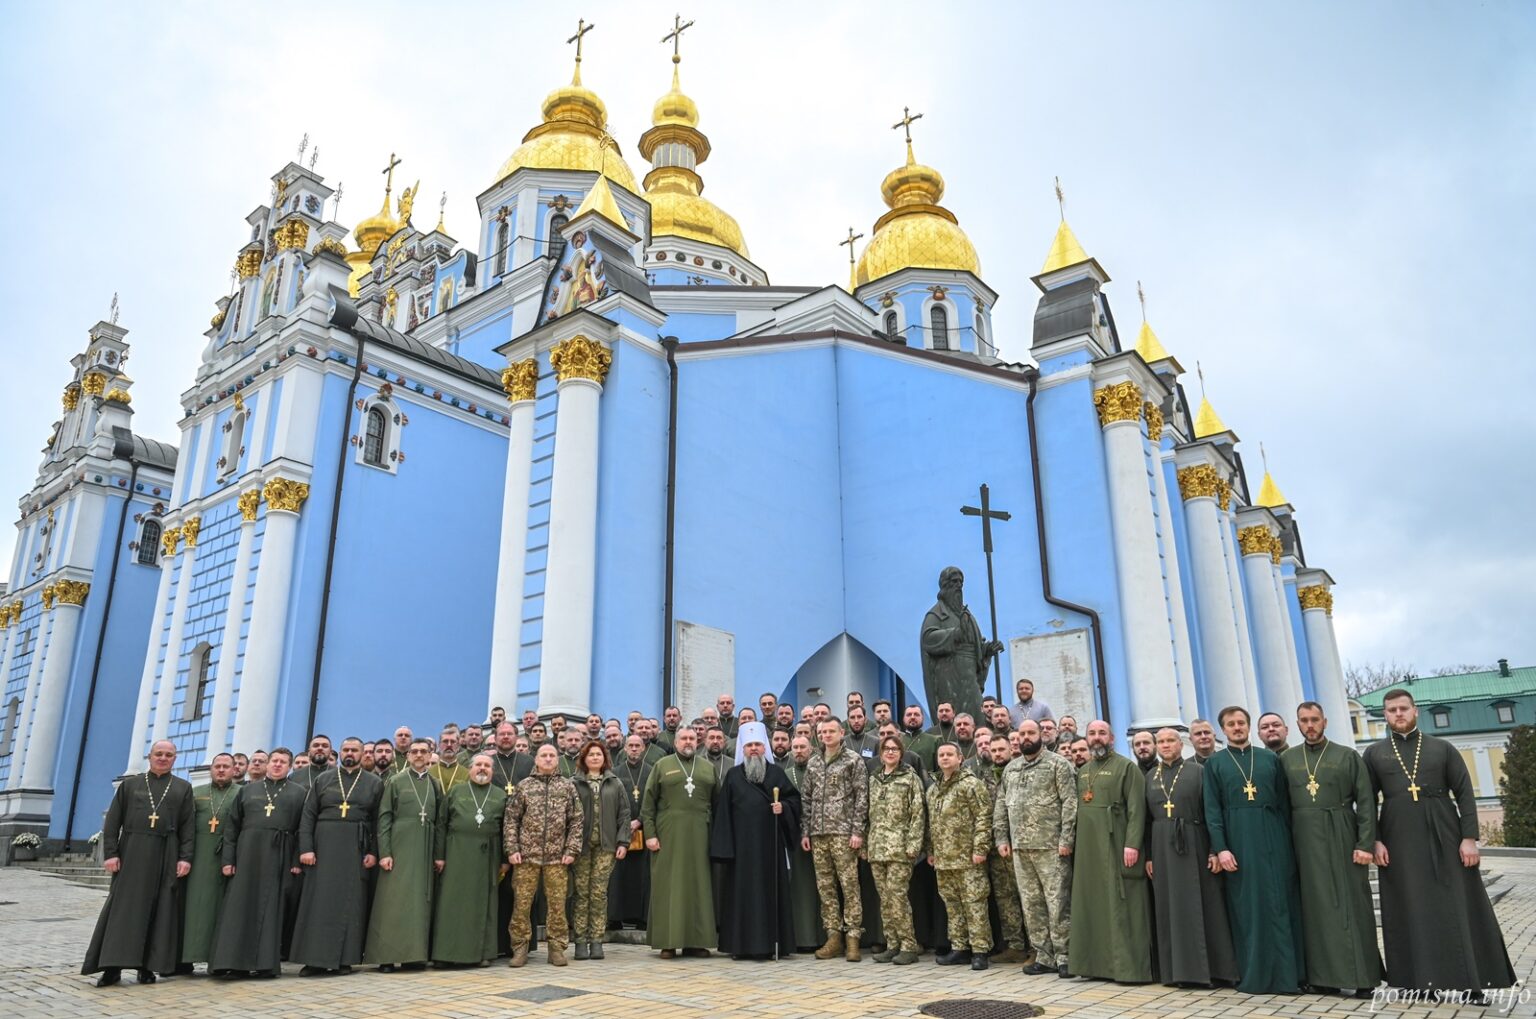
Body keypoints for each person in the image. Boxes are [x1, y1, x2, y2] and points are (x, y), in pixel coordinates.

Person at [1364, 689, 1514, 995]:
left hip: (1445, 833)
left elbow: (1464, 792)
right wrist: (1375, 841)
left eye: (1403, 708)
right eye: (1391, 710)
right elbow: (1367, 802)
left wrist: (1469, 838)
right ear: (1386, 715)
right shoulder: (1375, 753)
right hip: (1398, 838)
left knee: (1458, 905)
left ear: (1415, 711)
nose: (1398, 714)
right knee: (1411, 907)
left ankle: (1473, 982)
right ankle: (1421, 983)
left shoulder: (1441, 748)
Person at [1280, 701, 1381, 995]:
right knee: (1314, 910)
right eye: (1303, 720)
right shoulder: (1288, 759)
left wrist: (1365, 844)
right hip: (1304, 840)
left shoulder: (1347, 756)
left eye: (1314, 720)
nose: (1309, 725)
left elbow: (1365, 802)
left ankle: (1363, 978)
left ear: (1325, 721)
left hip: (1342, 835)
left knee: (1351, 906)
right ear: (1297, 724)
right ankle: (1324, 979)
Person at [1202, 706, 1304, 994]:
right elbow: (1212, 811)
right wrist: (1221, 849)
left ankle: (1289, 976)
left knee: (1279, 904)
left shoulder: (1270, 759)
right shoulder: (1215, 764)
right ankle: (1254, 975)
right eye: (1231, 724)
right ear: (1223, 730)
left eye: (1241, 723)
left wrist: (1289, 844)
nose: (1237, 728)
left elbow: (1285, 805)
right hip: (1238, 842)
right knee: (1248, 909)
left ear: (1248, 726)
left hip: (1274, 839)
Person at [82, 739, 195, 987]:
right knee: (122, 912)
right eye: (159, 754)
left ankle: (146, 967)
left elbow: (188, 827)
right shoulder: (130, 785)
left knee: (159, 910)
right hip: (131, 852)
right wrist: (111, 853)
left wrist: (185, 858)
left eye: (168, 755)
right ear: (150, 756)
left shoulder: (182, 788)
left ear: (175, 759)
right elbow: (113, 822)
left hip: (166, 853)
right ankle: (112, 967)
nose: (163, 758)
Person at [1144, 728, 1237, 987]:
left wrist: (1214, 850)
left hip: (1195, 844)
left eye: (1170, 740)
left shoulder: (1198, 772)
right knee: (1170, 908)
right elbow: (1147, 821)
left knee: (1204, 905)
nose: (1165, 745)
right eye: (1160, 742)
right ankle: (1177, 972)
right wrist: (1149, 856)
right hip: (1162, 848)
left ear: (1181, 743)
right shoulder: (1151, 776)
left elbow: (1211, 812)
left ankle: (1213, 971)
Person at [290, 737, 384, 976]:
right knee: (318, 903)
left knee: (350, 904)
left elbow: (377, 821)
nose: (349, 753)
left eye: (354, 750)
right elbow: (308, 816)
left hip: (355, 848)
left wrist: (373, 851)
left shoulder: (374, 782)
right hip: (323, 847)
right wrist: (306, 848)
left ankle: (345, 960)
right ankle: (313, 959)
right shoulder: (324, 779)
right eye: (345, 750)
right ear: (339, 753)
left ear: (363, 754)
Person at [208, 747, 305, 977]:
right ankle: (233, 962)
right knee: (239, 907)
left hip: (279, 854)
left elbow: (303, 828)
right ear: (267, 763)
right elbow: (232, 827)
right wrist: (228, 859)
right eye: (274, 761)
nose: (278, 765)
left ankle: (265, 965)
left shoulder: (299, 793)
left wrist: (295, 859)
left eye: (283, 762)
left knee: (270, 909)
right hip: (247, 854)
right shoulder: (248, 791)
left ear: (290, 767)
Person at [1068, 720, 1151, 983]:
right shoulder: (1083, 771)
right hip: (1089, 848)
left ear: (1111, 738)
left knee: (1121, 903)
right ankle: (1094, 965)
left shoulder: (1126, 767)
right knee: (1092, 902)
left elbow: (1137, 810)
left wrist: (1132, 844)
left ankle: (1127, 968)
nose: (1096, 738)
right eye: (1092, 733)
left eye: (1101, 733)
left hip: (1117, 843)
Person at [711, 722, 802, 960]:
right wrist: (725, 849)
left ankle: (775, 943)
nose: (754, 749)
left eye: (758, 745)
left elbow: (795, 802)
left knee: (770, 893)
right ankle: (741, 946)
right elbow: (723, 816)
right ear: (743, 748)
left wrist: (784, 807)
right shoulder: (732, 776)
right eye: (750, 745)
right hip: (741, 851)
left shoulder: (776, 774)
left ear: (765, 748)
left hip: (769, 848)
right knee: (741, 896)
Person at [996, 718, 1076, 978]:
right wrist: (1002, 838)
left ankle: (1065, 956)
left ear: (1042, 734)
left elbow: (1070, 804)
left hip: (1051, 847)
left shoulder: (1058, 764)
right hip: (1021, 849)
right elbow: (1001, 805)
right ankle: (1044, 955)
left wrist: (1066, 840)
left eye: (1031, 732)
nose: (1026, 737)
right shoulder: (1011, 769)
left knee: (1058, 903)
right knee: (1031, 904)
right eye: (1022, 733)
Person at [642, 726, 718, 959]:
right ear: (675, 743)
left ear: (698, 742)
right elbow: (648, 804)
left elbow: (718, 805)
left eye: (692, 739)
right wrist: (650, 834)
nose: (688, 742)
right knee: (669, 886)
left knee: (699, 886)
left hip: (701, 835)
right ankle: (668, 942)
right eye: (683, 738)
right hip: (668, 835)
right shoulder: (662, 766)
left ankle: (697, 942)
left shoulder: (708, 768)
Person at [366, 738, 441, 971]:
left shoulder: (435, 784)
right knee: (392, 901)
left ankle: (413, 956)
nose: (419, 755)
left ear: (430, 756)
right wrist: (385, 852)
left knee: (419, 902)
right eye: (414, 751)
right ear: (407, 756)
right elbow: (385, 817)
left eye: (423, 752)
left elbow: (440, 822)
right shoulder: (396, 781)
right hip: (399, 846)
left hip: (424, 847)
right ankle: (386, 956)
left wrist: (438, 855)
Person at [505, 743, 582, 967]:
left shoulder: (567, 787)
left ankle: (557, 948)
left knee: (558, 905)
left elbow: (576, 821)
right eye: (543, 755)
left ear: (557, 760)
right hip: (526, 856)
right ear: (536, 760)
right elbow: (512, 819)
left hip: (557, 857)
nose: (548, 759)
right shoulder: (524, 786)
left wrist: (571, 849)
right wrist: (512, 848)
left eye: (552, 755)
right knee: (522, 903)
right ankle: (520, 948)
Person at [430, 753, 508, 967]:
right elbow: (442, 824)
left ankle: (481, 953)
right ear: (470, 769)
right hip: (456, 853)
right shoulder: (456, 791)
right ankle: (446, 954)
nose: (482, 769)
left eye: (487, 766)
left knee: (483, 904)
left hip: (487, 855)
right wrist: (439, 855)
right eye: (478, 765)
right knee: (452, 903)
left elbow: (506, 831)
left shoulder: (500, 796)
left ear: (492, 771)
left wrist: (504, 859)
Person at [802, 718, 869, 962]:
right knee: (826, 886)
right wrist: (805, 831)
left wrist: (857, 831)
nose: (826, 735)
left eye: (831, 731)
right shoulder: (814, 762)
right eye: (822, 732)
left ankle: (853, 937)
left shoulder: (853, 760)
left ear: (842, 732)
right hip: (819, 834)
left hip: (843, 832)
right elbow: (807, 799)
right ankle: (833, 937)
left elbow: (862, 797)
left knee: (849, 885)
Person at [926, 742, 993, 970]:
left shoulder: (971, 784)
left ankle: (980, 950)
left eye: (949, 754)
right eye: (941, 755)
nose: (945, 758)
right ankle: (960, 947)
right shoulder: (934, 788)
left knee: (974, 903)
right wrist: (932, 851)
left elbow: (984, 817)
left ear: (960, 758)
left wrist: (980, 848)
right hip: (944, 859)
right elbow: (931, 824)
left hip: (968, 857)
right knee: (952, 905)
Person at [866, 735, 925, 965]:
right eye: (886, 749)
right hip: (877, 847)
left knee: (898, 896)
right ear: (881, 754)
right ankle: (892, 944)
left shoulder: (910, 779)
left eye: (895, 749)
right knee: (884, 898)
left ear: (901, 753)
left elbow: (918, 814)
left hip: (900, 848)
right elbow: (867, 815)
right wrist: (866, 843)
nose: (890, 752)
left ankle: (909, 945)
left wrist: (913, 845)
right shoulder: (874, 779)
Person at [920, 567, 1003, 722]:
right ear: (944, 585)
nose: (958, 585)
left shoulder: (966, 614)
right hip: (949, 676)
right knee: (953, 717)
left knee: (977, 717)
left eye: (960, 582)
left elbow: (975, 645)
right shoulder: (936, 614)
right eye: (954, 581)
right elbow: (928, 639)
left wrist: (987, 650)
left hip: (969, 675)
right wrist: (955, 633)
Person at [179, 752, 237, 972]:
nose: (221, 770)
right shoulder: (196, 793)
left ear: (234, 770)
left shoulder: (241, 794)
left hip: (224, 858)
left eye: (226, 766)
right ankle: (186, 959)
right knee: (192, 908)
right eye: (217, 766)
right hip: (197, 856)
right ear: (211, 769)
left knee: (219, 910)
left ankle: (218, 961)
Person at [572, 740, 630, 960]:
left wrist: (623, 842)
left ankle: (597, 940)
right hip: (582, 848)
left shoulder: (614, 783)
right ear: (584, 759)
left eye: (598, 754)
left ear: (605, 758)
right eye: (591, 754)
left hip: (606, 847)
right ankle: (579, 941)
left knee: (598, 894)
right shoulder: (575, 783)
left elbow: (624, 814)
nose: (595, 758)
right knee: (581, 894)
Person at [975, 733, 1028, 962]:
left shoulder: (1019, 772)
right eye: (993, 750)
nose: (997, 753)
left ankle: (1036, 947)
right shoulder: (984, 776)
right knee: (1005, 897)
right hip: (996, 848)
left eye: (1000, 749)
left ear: (1010, 749)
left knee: (1026, 896)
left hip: (1020, 844)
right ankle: (1014, 945)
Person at [782, 734, 825, 952]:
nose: (799, 751)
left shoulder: (821, 771)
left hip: (822, 834)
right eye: (795, 747)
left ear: (811, 749)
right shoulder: (786, 774)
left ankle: (825, 937)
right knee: (800, 888)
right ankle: (803, 938)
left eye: (803, 747)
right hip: (796, 836)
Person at [609, 734, 652, 931]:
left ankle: (642, 918)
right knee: (619, 875)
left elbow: (654, 800)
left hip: (645, 829)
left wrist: (640, 820)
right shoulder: (615, 773)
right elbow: (611, 801)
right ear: (625, 749)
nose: (634, 749)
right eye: (631, 746)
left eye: (638, 746)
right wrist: (626, 823)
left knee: (643, 875)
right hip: (620, 831)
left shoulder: (652, 771)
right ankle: (615, 917)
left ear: (643, 748)